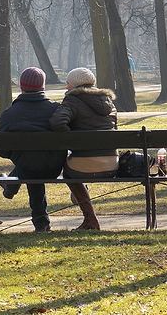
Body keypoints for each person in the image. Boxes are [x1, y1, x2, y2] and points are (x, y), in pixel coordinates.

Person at [0, 67, 67, 232]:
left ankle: (40, 222)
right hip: (54, 166)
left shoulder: (9, 114)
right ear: (43, 86)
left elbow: (2, 150)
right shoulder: (56, 110)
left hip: (27, 167)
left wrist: (18, 155)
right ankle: (40, 221)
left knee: (29, 164)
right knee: (35, 160)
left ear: (21, 86)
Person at [50, 67, 118, 230]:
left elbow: (57, 122)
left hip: (81, 166)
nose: (66, 87)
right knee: (73, 170)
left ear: (74, 85)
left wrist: (73, 140)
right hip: (112, 165)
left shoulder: (73, 100)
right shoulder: (108, 102)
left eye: (68, 83)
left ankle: (90, 219)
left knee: (69, 173)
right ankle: (88, 215)